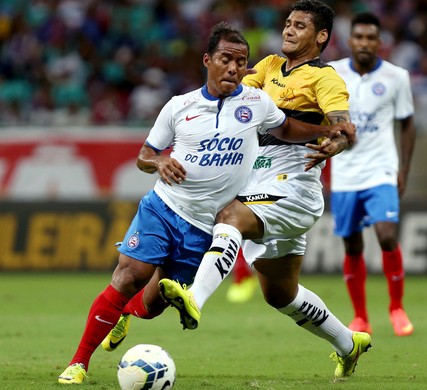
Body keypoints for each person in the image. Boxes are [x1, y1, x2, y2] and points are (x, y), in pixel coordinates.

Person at [57, 21, 355, 385]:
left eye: (241, 61)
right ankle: (78, 364)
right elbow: (145, 154)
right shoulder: (179, 106)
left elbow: (287, 129)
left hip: (204, 228)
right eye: (226, 59)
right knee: (128, 276)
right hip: (164, 208)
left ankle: (126, 314)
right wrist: (159, 161)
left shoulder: (256, 101)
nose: (233, 67)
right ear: (207, 60)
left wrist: (327, 131)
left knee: (150, 306)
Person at [158, 0, 372, 379]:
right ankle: (348, 343)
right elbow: (233, 93)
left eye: (300, 26)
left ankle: (195, 299)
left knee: (229, 217)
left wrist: (333, 144)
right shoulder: (270, 67)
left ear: (321, 36)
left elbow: (343, 127)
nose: (289, 30)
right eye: (288, 23)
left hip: (295, 185)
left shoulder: (325, 79)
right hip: (258, 179)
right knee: (280, 293)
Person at [328, 12, 416, 337]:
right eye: (359, 37)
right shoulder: (332, 73)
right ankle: (361, 317)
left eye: (370, 38)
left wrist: (403, 168)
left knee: (387, 235)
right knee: (352, 245)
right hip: (346, 174)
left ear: (380, 42)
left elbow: (407, 123)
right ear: (350, 40)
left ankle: (396, 308)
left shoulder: (397, 77)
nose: (364, 43)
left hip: (382, 169)